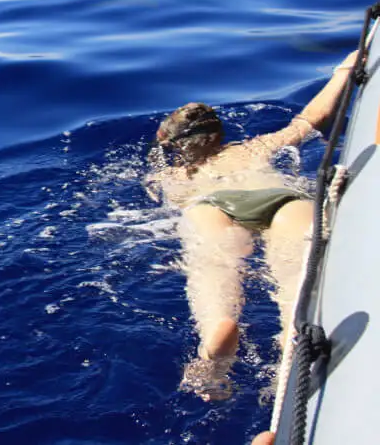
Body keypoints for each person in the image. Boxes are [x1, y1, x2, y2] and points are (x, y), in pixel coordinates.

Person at [144, 51, 358, 401]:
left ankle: (215, 336)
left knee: (214, 272)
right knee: (295, 284)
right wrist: (344, 71)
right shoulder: (255, 147)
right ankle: (293, 344)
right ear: (218, 134)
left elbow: (161, 207)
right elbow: (314, 117)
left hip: (210, 206)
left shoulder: (168, 176)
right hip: (281, 200)